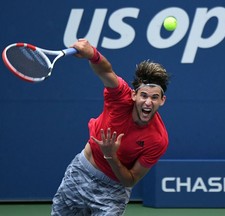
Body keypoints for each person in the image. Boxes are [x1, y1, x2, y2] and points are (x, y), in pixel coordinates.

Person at [51, 38, 170, 216]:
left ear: (162, 100)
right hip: (81, 173)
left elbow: (130, 180)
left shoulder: (158, 139)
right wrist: (93, 54)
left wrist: (110, 155)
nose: (148, 102)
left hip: (114, 191)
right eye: (143, 95)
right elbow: (106, 71)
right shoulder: (120, 97)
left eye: (154, 98)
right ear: (133, 95)